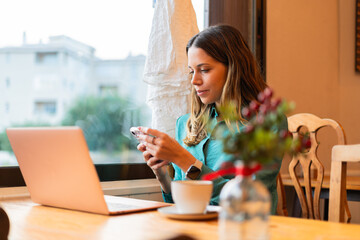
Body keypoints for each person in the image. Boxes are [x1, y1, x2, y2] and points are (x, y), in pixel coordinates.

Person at [137, 24, 285, 214]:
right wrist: (162, 174)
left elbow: (250, 202)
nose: (194, 80)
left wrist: (184, 160)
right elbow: (180, 204)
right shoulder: (185, 124)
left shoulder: (267, 124)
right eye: (192, 71)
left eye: (204, 70)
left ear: (234, 68)